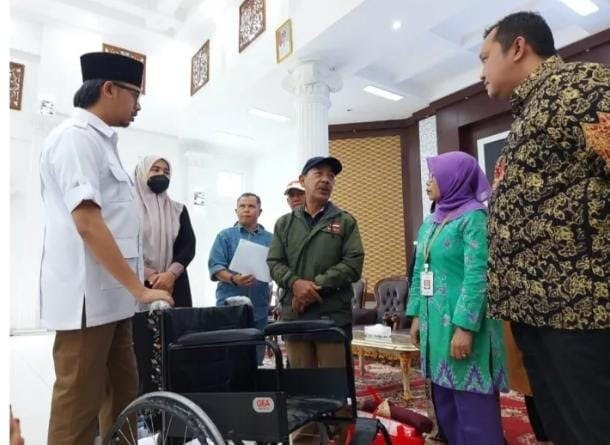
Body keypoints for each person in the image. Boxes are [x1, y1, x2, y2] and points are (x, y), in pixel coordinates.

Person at [480, 11, 610, 444]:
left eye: (485, 58)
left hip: (579, 312)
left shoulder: (579, 87)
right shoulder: (530, 111)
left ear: (517, 47)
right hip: (537, 313)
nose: (481, 72)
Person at [39, 52, 173, 445]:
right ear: (109, 89)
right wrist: (140, 289)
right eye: (135, 95)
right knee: (77, 408)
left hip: (113, 301)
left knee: (123, 397)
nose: (138, 105)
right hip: (86, 302)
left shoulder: (103, 143)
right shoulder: (75, 138)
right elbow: (88, 223)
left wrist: (132, 290)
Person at [406, 151, 507, 445]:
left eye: (434, 176)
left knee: (473, 409)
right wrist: (416, 316)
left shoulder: (474, 218)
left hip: (464, 327)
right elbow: (419, 271)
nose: (428, 182)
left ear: (454, 179)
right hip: (435, 326)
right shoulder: (431, 221)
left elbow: (479, 275)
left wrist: (465, 327)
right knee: (446, 404)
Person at [267, 156, 364, 444]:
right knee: (302, 386)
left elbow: (353, 264)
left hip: (331, 317)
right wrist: (295, 284)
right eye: (318, 173)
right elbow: (274, 262)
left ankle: (340, 438)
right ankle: (305, 440)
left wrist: (313, 288)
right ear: (303, 180)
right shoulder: (285, 224)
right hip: (295, 319)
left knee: (335, 385)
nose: (325, 180)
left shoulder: (344, 221)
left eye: (331, 176)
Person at [132, 155, 196, 394]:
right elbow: (123, 246)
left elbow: (188, 245)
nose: (161, 174)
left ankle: (174, 400)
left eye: (166, 171)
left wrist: (170, 274)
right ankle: (142, 400)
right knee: (139, 346)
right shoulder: (127, 207)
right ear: (141, 174)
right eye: (155, 169)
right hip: (137, 283)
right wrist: (150, 275)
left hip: (174, 284)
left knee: (176, 344)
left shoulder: (178, 209)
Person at [208, 193, 273, 364]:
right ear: (236, 211)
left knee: (255, 358)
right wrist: (234, 278)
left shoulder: (270, 239)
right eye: (242, 206)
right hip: (229, 306)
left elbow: (277, 267)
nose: (246, 210)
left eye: (251, 206)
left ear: (260, 211)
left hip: (259, 308)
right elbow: (216, 267)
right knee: (229, 358)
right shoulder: (225, 236)